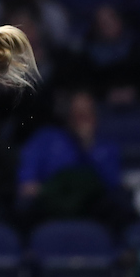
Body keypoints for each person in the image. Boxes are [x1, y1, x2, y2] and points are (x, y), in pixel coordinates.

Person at [17, 91, 124, 224]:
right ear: (68, 115)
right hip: (50, 203)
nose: (83, 120)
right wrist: (37, 187)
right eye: (78, 114)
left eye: (87, 114)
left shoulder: (107, 146)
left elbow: (112, 183)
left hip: (92, 208)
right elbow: (27, 180)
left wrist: (88, 146)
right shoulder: (46, 138)